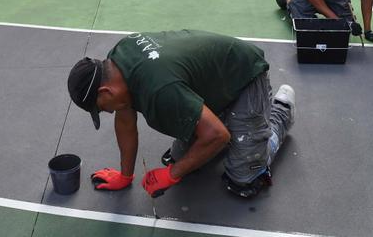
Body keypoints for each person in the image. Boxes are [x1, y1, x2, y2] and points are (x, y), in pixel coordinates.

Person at [68, 30, 296, 199]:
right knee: (180, 159)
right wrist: (125, 176)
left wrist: (171, 176)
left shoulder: (160, 90)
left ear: (106, 90)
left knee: (243, 178)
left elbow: (218, 136)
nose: (106, 112)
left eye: (101, 108)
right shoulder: (115, 64)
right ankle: (228, 116)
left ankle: (280, 113)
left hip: (244, 75)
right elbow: (125, 121)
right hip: (209, 84)